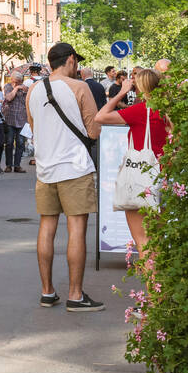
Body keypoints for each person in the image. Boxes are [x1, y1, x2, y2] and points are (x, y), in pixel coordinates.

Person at [26, 43, 104, 312]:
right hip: (74, 168)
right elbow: (94, 132)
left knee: (46, 228)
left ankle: (47, 292)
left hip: (45, 170)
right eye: (76, 62)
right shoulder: (80, 87)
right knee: (76, 230)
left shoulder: (33, 90)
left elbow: (35, 128)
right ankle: (75, 295)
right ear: (71, 60)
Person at [94, 69, 168, 256]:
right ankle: (161, 284)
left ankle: (152, 285)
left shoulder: (141, 111)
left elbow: (100, 117)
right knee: (158, 239)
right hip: (164, 176)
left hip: (140, 180)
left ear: (140, 88)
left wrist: (121, 92)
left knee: (142, 240)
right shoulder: (168, 110)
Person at [1, 75, 30, 173]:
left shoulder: (26, 88)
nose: (14, 83)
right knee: (9, 143)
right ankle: (8, 165)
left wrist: (24, 91)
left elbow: (27, 102)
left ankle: (17, 165)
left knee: (21, 143)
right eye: (13, 81)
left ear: (21, 81)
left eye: (17, 82)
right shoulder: (8, 86)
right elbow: (9, 98)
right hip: (10, 119)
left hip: (22, 120)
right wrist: (16, 88)